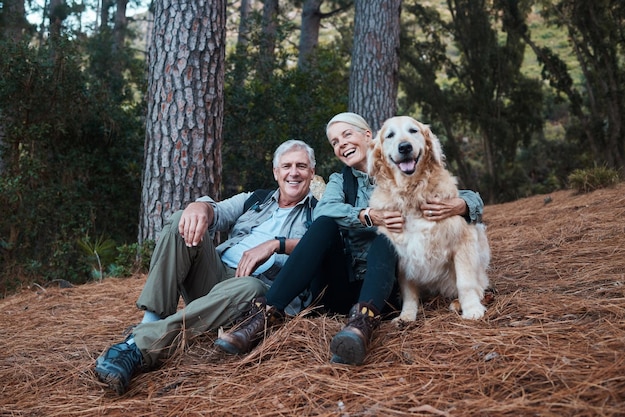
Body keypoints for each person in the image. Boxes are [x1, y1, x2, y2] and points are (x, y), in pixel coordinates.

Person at [214, 112, 484, 365]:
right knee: (325, 224)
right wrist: (369, 215)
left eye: (346, 135)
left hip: (383, 287)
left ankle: (360, 327)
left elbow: (455, 190)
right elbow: (325, 209)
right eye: (335, 142)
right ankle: (261, 317)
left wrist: (461, 205)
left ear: (369, 136)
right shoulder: (339, 181)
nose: (341, 144)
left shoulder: (400, 169)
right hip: (339, 283)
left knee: (386, 237)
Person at [94, 140, 318, 395]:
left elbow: (323, 248)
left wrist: (276, 244)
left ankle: (138, 346)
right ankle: (150, 320)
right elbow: (217, 211)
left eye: (301, 166)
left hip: (256, 296)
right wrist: (200, 207)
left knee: (250, 285)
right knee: (181, 219)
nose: (294, 172)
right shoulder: (256, 200)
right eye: (286, 166)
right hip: (215, 276)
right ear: (276, 172)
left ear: (312, 172)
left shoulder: (318, 212)